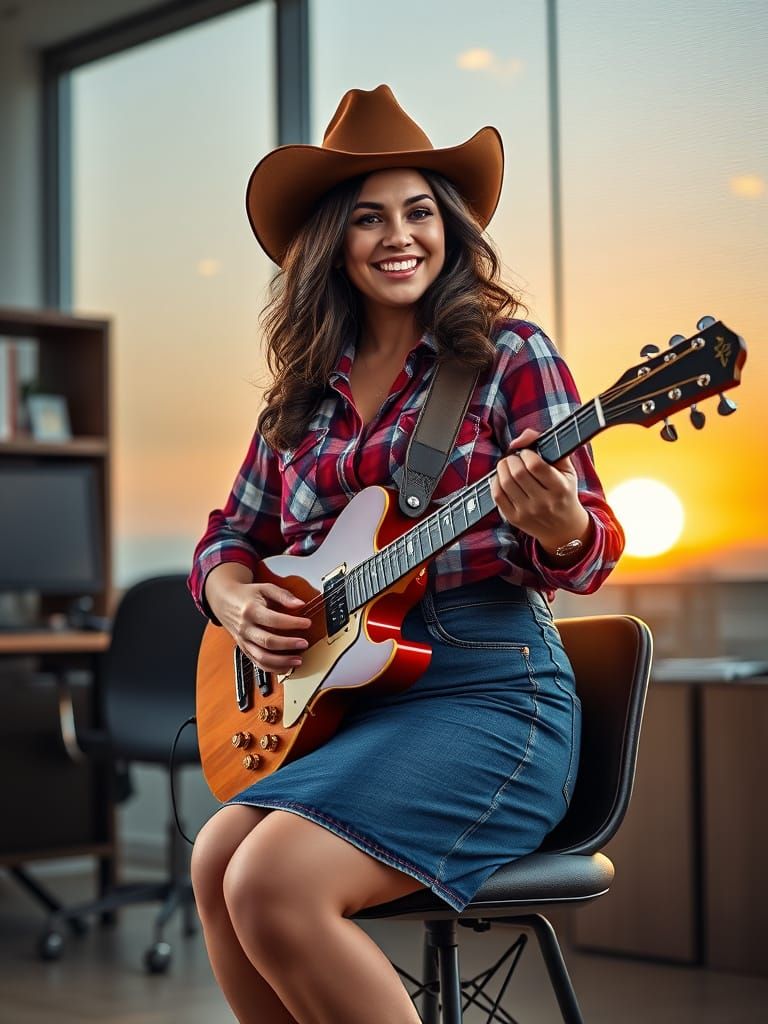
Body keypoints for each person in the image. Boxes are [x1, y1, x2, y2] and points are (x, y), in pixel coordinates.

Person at [188, 84, 624, 1024]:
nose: (401, 237)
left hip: (491, 696)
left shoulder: (510, 354)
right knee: (216, 857)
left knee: (269, 882)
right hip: (350, 711)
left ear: (449, 228)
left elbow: (591, 548)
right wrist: (235, 600)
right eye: (370, 218)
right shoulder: (301, 398)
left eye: (420, 212)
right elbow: (229, 538)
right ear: (331, 243)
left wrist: (560, 526)